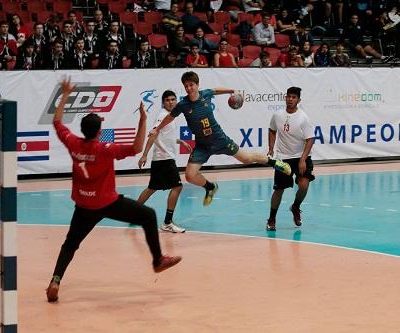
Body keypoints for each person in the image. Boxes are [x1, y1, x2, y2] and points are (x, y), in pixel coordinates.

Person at [46, 79, 182, 303]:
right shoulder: (104, 149)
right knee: (148, 216)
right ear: (99, 131)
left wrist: (65, 94)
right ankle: (157, 260)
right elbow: (137, 147)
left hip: (83, 206)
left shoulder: (73, 143)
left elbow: (57, 121)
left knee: (70, 244)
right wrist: (143, 120)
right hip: (107, 203)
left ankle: (55, 280)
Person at [149, 71, 291, 206]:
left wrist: (232, 91)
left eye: (191, 85)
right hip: (202, 146)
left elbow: (216, 90)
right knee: (190, 176)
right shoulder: (183, 105)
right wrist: (157, 128)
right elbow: (169, 117)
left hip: (220, 140)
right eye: (186, 86)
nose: (188, 88)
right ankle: (210, 187)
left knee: (246, 159)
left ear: (197, 85)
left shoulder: (205, 94)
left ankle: (275, 162)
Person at [137, 90, 192, 233]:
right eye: (168, 100)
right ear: (163, 102)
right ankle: (167, 222)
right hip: (164, 159)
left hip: (160, 159)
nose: (171, 102)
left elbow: (165, 136)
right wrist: (144, 155)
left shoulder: (170, 117)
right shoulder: (163, 116)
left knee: (152, 188)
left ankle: (132, 213)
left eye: (173, 99)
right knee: (177, 187)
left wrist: (181, 141)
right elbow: (153, 135)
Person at [266, 87, 315, 231]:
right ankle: (272, 218)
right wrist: (270, 148)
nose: (290, 99)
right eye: (288, 97)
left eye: (293, 97)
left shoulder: (303, 117)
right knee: (279, 189)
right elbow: (272, 130)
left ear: (298, 100)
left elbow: (310, 139)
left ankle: (295, 207)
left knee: (304, 185)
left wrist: (302, 160)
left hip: (301, 157)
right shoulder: (277, 115)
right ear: (285, 98)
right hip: (283, 158)